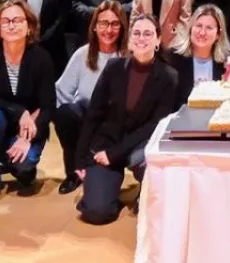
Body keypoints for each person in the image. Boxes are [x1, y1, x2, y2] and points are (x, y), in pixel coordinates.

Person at [75, 13, 179, 225]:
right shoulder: (113, 68)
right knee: (97, 213)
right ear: (130, 39)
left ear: (158, 40)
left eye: (148, 34)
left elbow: (155, 125)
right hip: (106, 143)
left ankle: (145, 188)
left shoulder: (169, 76)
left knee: (148, 161)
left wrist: (115, 154)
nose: (141, 38)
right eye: (137, 33)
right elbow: (94, 113)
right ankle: (106, 192)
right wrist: (81, 158)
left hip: (139, 145)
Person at [0, 0, 56, 205]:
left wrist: (26, 137)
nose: (11, 25)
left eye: (18, 20)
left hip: (30, 126)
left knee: (25, 170)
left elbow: (48, 106)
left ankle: (9, 159)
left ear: (29, 26)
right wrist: (20, 112)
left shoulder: (41, 57)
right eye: (6, 21)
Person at [52, 0, 126, 195]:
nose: (108, 29)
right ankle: (73, 173)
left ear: (122, 27)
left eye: (114, 24)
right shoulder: (82, 54)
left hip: (113, 126)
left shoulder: (128, 56)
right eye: (103, 23)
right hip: (85, 120)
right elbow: (61, 91)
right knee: (66, 114)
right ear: (94, 27)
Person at [169, 5, 230, 109]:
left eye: (209, 28)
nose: (202, 33)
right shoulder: (174, 58)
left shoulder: (228, 61)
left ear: (218, 34)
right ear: (190, 28)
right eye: (198, 26)